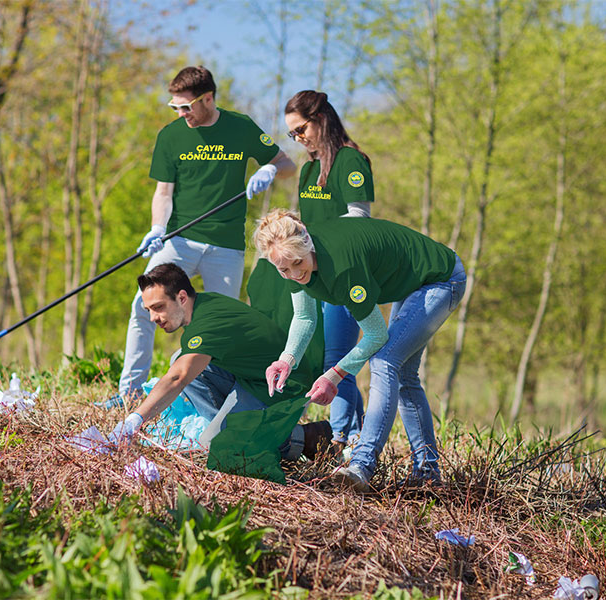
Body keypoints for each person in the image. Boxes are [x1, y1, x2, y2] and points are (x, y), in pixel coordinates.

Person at [117, 65, 296, 400]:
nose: (182, 113)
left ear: (208, 98)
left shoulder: (240, 127)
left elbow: (288, 163)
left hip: (226, 246)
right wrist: (158, 226)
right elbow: (163, 192)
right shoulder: (170, 136)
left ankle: (227, 395)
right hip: (179, 240)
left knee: (222, 327)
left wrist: (271, 168)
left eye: (186, 106)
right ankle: (129, 392)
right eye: (175, 108)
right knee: (142, 306)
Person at [254, 210, 467, 491]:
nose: (295, 275)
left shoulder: (343, 268)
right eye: (284, 270)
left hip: (441, 279)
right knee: (404, 374)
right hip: (413, 283)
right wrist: (286, 360)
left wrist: (334, 375)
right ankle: (427, 474)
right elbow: (305, 317)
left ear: (307, 242)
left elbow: (376, 335)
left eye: (297, 264)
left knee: (384, 361)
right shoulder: (289, 255)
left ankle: (362, 465)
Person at [108, 263, 332, 482]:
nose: (153, 318)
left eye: (158, 307)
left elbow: (178, 377)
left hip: (283, 386)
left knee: (213, 447)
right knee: (180, 357)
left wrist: (134, 420)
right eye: (149, 310)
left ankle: (304, 437)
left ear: (182, 297)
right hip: (252, 378)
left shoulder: (209, 321)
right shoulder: (202, 306)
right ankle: (236, 430)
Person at [281, 90, 373, 450]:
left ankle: (345, 439)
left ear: (320, 119)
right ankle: (351, 433)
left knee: (338, 360)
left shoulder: (350, 162)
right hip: (313, 273)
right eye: (292, 134)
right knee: (326, 356)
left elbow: (360, 221)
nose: (298, 139)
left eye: (300, 129)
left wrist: (322, 242)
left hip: (345, 272)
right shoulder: (307, 170)